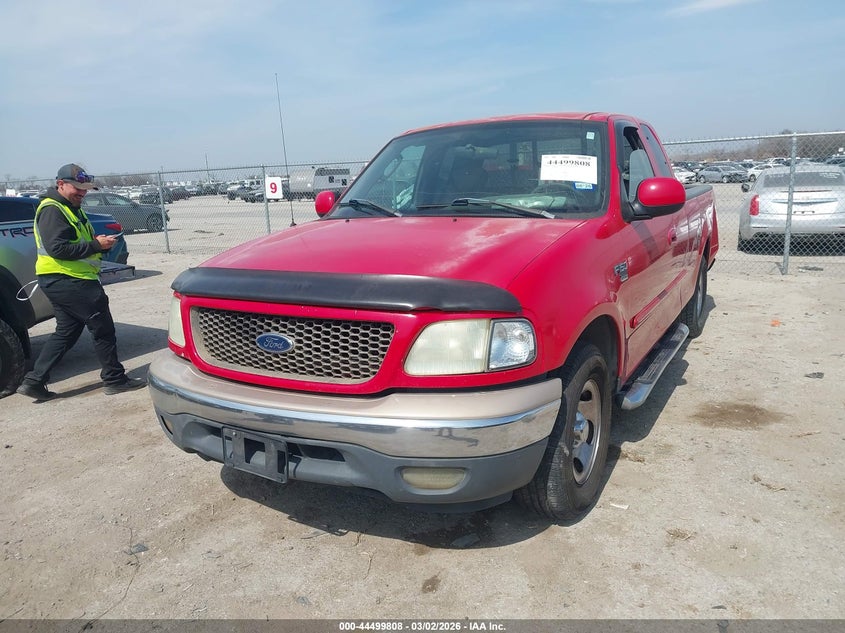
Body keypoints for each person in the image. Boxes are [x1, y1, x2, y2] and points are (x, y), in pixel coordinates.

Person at [15, 164, 146, 401]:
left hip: (63, 281)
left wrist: (97, 242)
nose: (82, 193)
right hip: (72, 282)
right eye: (77, 188)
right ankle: (115, 379)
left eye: (85, 189)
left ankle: (34, 381)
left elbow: (73, 241)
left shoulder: (70, 207)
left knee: (66, 332)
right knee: (103, 330)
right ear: (60, 184)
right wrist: (97, 245)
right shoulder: (53, 210)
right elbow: (58, 248)